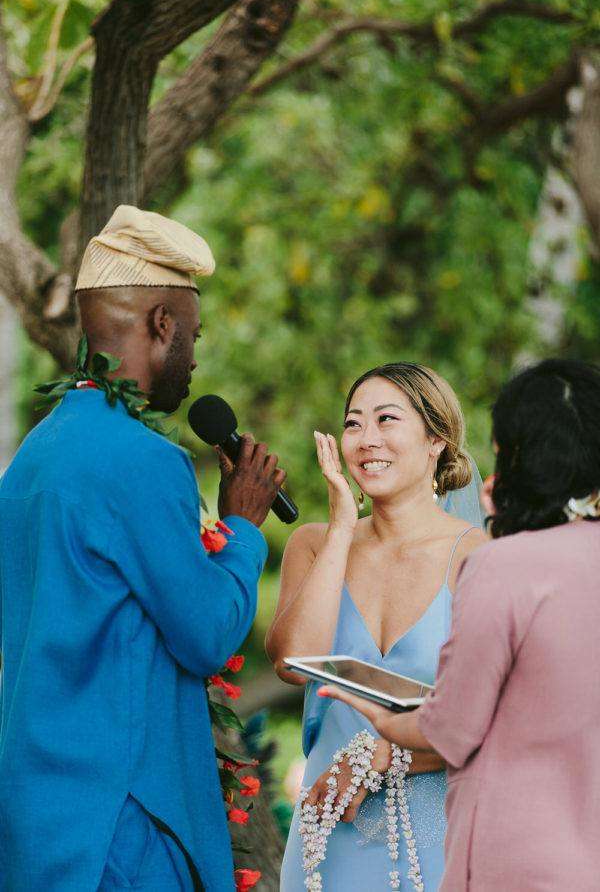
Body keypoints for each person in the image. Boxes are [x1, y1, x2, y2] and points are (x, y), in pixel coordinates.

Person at [0, 205, 285, 892]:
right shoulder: (144, 460)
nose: (193, 356)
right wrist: (242, 527)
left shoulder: (31, 460)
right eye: (192, 335)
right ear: (162, 325)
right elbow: (206, 634)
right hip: (123, 824)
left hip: (37, 827)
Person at [318, 358, 600, 891]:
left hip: (521, 859)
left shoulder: (501, 566)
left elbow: (453, 728)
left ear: (513, 453)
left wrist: (382, 715)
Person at [266, 363, 487, 890]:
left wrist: (380, 756)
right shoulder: (315, 544)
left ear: (436, 439)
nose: (367, 441)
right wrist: (343, 524)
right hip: (326, 837)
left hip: (440, 835)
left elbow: (490, 717)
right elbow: (294, 664)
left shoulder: (478, 558)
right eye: (353, 424)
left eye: (387, 420)